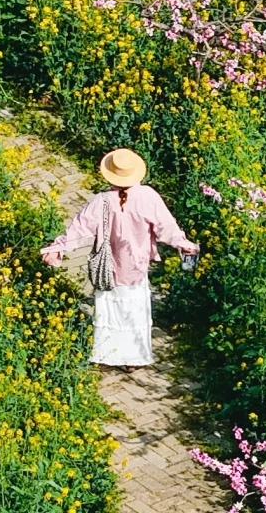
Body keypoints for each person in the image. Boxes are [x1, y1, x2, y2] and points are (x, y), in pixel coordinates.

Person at [40, 147, 199, 369]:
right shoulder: (148, 197)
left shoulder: (102, 200)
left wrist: (58, 248)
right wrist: (184, 245)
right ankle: (133, 360)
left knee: (109, 310)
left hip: (109, 267)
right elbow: (167, 228)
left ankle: (107, 355)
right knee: (135, 311)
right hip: (136, 266)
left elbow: (80, 229)